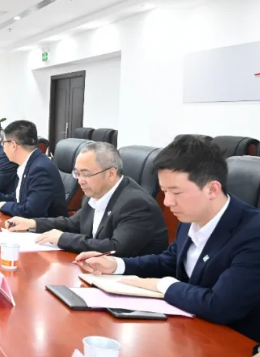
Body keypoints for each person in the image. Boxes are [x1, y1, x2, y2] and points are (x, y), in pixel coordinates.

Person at [76, 135, 260, 342]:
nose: (168, 202)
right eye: (164, 191)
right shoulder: (191, 216)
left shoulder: (253, 233)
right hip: (189, 330)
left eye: (176, 192)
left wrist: (162, 286)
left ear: (212, 189)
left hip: (233, 341)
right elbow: (170, 261)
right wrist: (117, 264)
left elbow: (220, 305)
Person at [6, 142, 168, 256]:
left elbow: (116, 248)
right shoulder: (94, 193)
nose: (80, 180)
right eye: (77, 173)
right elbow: (73, 224)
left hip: (132, 282)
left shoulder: (136, 204)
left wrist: (63, 238)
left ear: (111, 174)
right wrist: (32, 223)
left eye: (86, 174)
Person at [0, 120, 67, 218]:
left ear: (13, 145)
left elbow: (31, 210)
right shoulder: (29, 163)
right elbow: (18, 198)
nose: (2, 148)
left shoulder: (40, 169)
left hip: (42, 225)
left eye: (3, 143)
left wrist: (4, 206)